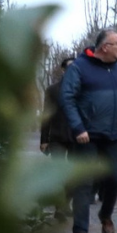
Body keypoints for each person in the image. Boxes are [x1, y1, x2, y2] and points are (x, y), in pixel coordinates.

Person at [60, 29, 117, 233]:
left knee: (114, 179)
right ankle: (80, 232)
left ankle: (105, 215)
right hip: (87, 136)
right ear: (105, 47)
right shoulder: (79, 68)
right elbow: (67, 98)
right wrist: (78, 127)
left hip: (113, 135)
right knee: (84, 184)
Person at [40, 56, 76, 218]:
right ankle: (59, 207)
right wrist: (44, 139)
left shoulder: (82, 88)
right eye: (69, 67)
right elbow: (46, 115)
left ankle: (66, 203)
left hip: (78, 137)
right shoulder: (53, 90)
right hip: (57, 137)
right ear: (63, 70)